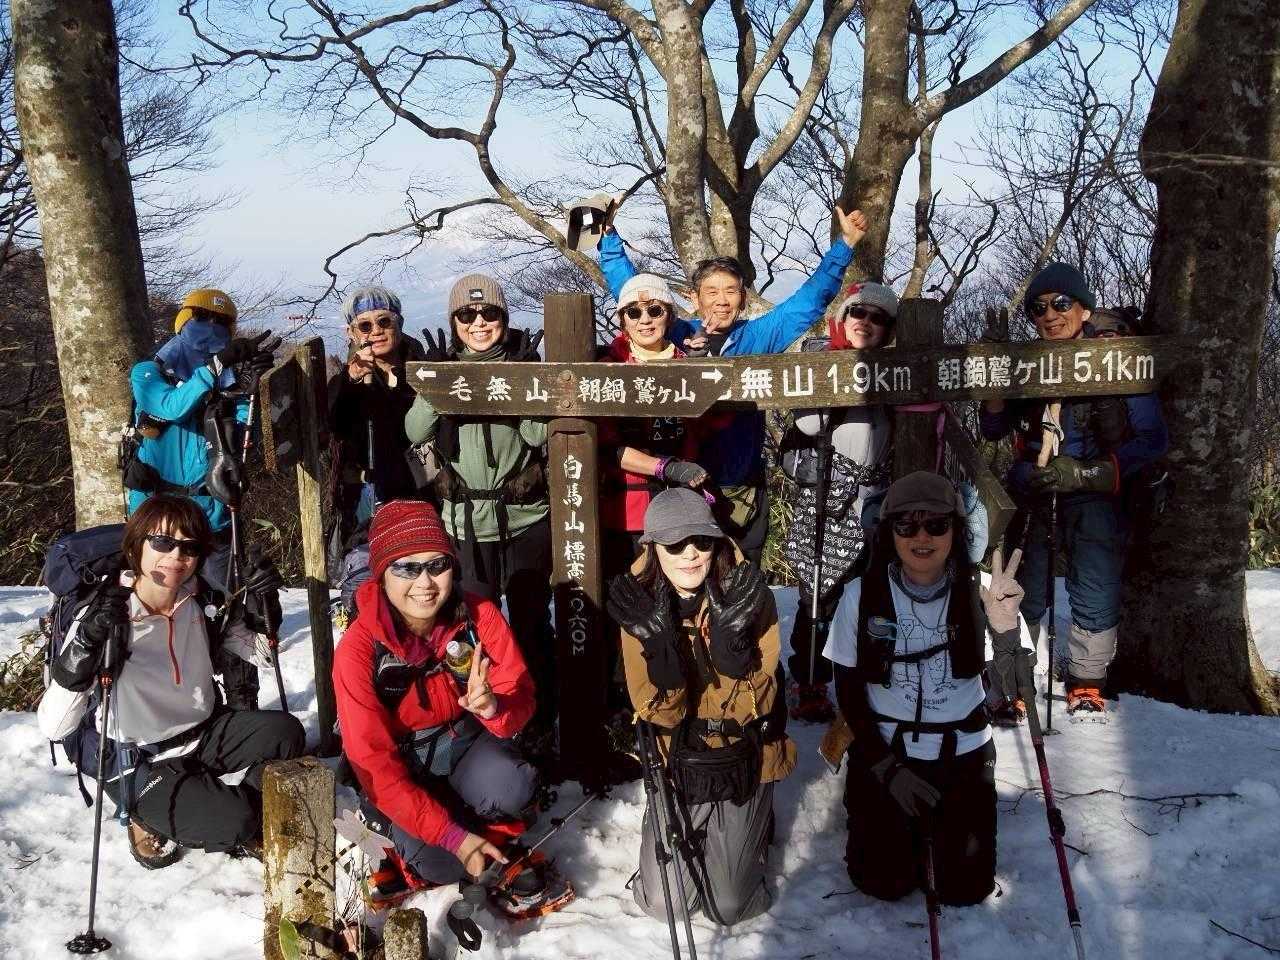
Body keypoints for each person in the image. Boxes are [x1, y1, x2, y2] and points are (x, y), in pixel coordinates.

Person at [37, 494, 304, 867]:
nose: (176, 556)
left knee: (286, 733)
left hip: (203, 733)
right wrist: (85, 645)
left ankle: (211, 802)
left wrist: (265, 602)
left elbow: (261, 654)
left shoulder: (200, 602)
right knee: (239, 819)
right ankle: (149, 814)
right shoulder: (106, 615)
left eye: (189, 547)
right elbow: (54, 726)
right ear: (136, 546)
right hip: (139, 757)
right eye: (162, 542)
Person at [333, 500, 566, 911]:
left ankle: (487, 846)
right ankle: (423, 846)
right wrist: (453, 838)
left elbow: (521, 695)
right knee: (438, 862)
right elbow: (373, 762)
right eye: (406, 568)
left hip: (464, 742)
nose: (425, 582)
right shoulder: (358, 649)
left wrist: (494, 709)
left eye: (437, 565)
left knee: (514, 785)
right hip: (401, 766)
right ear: (382, 573)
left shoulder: (478, 617)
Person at [599, 205, 868, 561]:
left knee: (743, 576)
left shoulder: (759, 336)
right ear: (693, 297)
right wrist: (608, 240)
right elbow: (634, 293)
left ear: (743, 298)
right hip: (681, 482)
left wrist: (844, 246)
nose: (722, 301)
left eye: (731, 291)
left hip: (742, 484)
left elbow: (809, 302)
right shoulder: (675, 334)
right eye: (711, 291)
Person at [979, 263, 1168, 716]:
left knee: (1095, 587)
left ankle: (1086, 681)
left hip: (1098, 496)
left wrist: (1087, 474)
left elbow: (1153, 438)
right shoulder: (1026, 364)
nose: (1050, 315)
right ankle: (1016, 676)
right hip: (1036, 493)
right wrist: (995, 379)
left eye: (1061, 304)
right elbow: (993, 428)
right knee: (1025, 586)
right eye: (1038, 307)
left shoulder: (1116, 358)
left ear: (1084, 309)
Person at [824, 471, 1019, 906]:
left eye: (936, 524)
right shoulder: (861, 595)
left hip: (962, 754)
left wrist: (1005, 630)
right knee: (882, 883)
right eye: (906, 525)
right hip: (887, 751)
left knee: (966, 890)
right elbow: (850, 695)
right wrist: (885, 767)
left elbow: (1009, 690)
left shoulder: (983, 594)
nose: (922, 537)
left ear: (956, 530)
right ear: (888, 532)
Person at [608, 488, 795, 927]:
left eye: (701, 541)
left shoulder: (748, 593)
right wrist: (664, 664)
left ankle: (752, 827)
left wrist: (732, 659)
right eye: (674, 544)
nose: (690, 554)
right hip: (678, 755)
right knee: (665, 903)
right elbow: (655, 711)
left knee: (728, 906)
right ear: (653, 548)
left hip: (742, 752)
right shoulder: (639, 603)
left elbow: (759, 703)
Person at [403, 274, 555, 733]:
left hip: (524, 519)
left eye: (489, 313)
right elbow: (415, 431)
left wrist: (525, 384)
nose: (478, 322)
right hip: (465, 522)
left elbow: (536, 434)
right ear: (453, 322)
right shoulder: (445, 368)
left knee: (530, 623)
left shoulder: (521, 364)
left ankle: (537, 716)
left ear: (503, 318)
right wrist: (435, 384)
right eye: (466, 315)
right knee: (473, 632)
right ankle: (481, 717)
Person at [123, 288, 280, 709]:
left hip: (213, 514)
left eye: (221, 323)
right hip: (157, 523)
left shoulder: (222, 379)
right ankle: (169, 702)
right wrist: (217, 368)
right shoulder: (147, 373)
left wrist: (249, 390)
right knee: (161, 612)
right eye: (202, 319)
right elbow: (170, 407)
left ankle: (242, 701)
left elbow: (242, 433)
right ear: (182, 322)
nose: (211, 329)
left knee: (234, 606)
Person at [781, 281, 897, 723]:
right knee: (819, 594)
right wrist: (831, 375)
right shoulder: (819, 362)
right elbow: (805, 428)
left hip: (876, 498)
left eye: (878, 318)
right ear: (842, 318)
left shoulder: (894, 373)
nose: (865, 322)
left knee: (872, 592)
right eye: (857, 313)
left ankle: (865, 674)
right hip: (828, 498)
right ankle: (810, 678)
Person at [327, 284, 428, 573]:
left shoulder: (424, 369)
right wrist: (352, 380)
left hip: (421, 493)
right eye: (365, 325)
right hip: (366, 499)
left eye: (384, 321)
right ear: (351, 333)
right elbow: (333, 424)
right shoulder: (345, 382)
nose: (376, 331)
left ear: (399, 324)